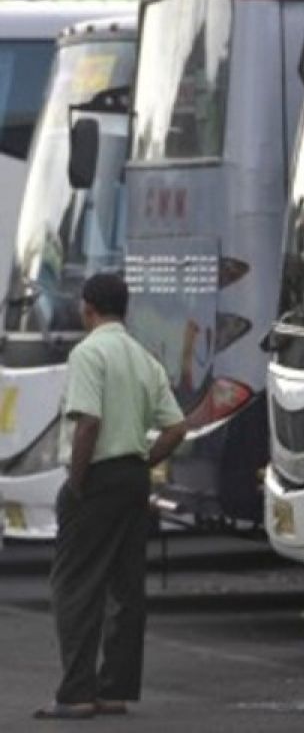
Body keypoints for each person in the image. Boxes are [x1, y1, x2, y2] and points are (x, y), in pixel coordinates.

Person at [34, 272, 186, 720]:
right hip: (133, 479)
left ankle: (77, 693)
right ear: (125, 310)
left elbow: (88, 424)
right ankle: (114, 690)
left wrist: (77, 484)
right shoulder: (143, 357)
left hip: (96, 478)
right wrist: (142, 462)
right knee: (125, 587)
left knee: (75, 586)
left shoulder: (88, 353)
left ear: (87, 308)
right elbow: (177, 428)